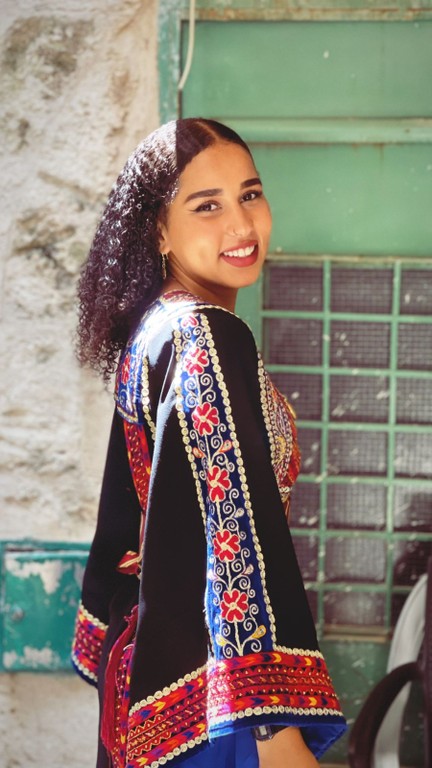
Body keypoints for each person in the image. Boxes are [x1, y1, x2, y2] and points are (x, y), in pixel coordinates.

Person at [72, 118, 346, 768]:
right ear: (158, 231)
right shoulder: (204, 338)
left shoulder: (160, 326)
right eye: (207, 205)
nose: (240, 226)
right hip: (221, 707)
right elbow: (232, 536)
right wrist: (272, 732)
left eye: (250, 194)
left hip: (162, 684)